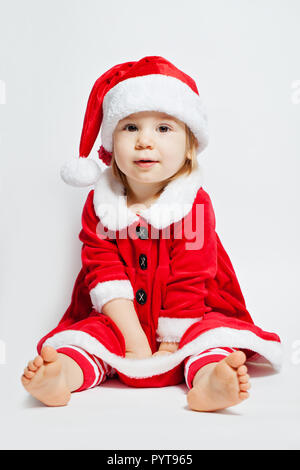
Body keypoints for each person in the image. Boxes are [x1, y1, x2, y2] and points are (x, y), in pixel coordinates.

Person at [21, 56, 282, 411]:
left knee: (207, 341)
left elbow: (192, 276)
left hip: (188, 314)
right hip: (119, 317)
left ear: (190, 146)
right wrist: (132, 341)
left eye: (163, 128)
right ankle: (62, 375)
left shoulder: (193, 204)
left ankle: (209, 382)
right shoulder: (101, 204)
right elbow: (103, 272)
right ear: (110, 143)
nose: (145, 141)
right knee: (89, 339)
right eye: (130, 128)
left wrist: (171, 345)